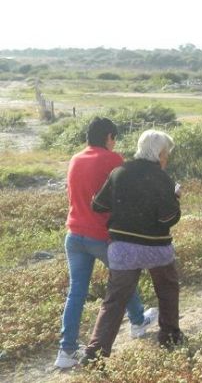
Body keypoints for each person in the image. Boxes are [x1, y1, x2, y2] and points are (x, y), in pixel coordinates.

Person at [54, 118, 157, 370]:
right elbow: (127, 195)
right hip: (100, 235)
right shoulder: (111, 159)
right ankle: (137, 321)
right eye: (114, 138)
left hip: (74, 234)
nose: (114, 143)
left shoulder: (75, 159)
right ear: (109, 136)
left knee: (76, 292)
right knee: (125, 276)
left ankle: (66, 350)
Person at [82, 130, 183, 364]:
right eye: (166, 154)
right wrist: (175, 198)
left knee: (114, 301)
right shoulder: (162, 178)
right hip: (155, 248)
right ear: (159, 154)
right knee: (167, 291)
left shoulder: (119, 172)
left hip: (123, 248)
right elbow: (168, 219)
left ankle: (94, 353)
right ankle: (169, 337)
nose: (166, 158)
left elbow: (98, 205)